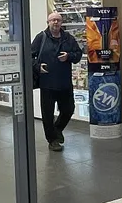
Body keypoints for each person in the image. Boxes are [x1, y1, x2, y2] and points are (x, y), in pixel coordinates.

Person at [31, 12, 83, 151]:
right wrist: (37, 66)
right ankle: (52, 140)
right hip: (47, 83)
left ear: (61, 23)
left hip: (64, 82)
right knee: (47, 114)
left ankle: (57, 129)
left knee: (68, 109)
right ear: (48, 22)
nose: (55, 22)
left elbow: (78, 54)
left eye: (58, 20)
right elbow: (29, 56)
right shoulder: (41, 37)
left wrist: (68, 56)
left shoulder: (68, 38)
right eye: (53, 20)